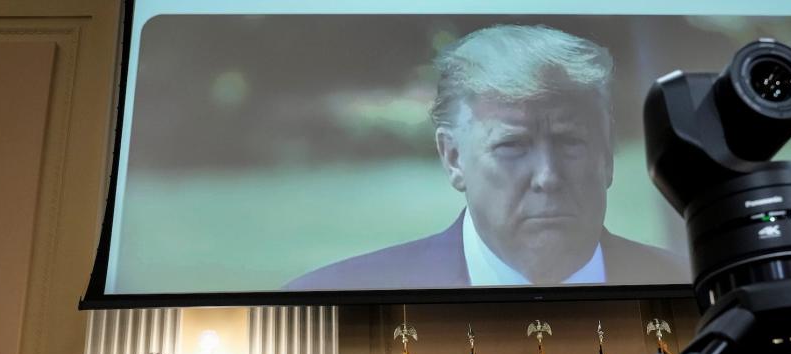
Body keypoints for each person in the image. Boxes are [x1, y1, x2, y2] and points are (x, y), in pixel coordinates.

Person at [285, 24, 687, 291]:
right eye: (512, 146)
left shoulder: (702, 294)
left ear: (607, 153)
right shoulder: (328, 297)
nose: (547, 176)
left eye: (570, 142)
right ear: (453, 158)